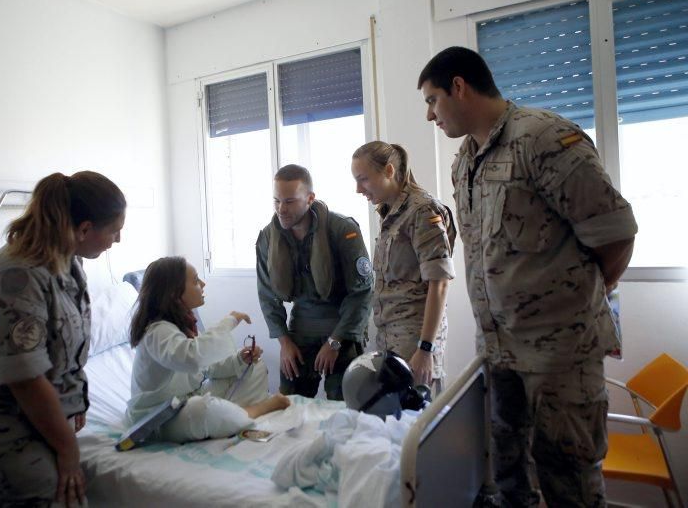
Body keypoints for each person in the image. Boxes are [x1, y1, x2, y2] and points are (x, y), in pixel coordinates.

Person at [418, 46, 637, 507]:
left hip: (560, 356)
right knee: (508, 477)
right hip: (499, 353)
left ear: (459, 87)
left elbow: (614, 235)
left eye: (432, 100)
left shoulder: (542, 138)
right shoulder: (466, 162)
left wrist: (582, 300)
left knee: (569, 482)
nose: (429, 115)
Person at [0, 171, 127, 507]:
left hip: (41, 425)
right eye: (114, 230)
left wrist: (73, 403)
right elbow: (26, 378)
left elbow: (62, 350)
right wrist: (68, 449)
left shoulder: (66, 263)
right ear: (85, 229)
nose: (117, 240)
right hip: (5, 436)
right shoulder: (18, 276)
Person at [126, 256, 290, 442]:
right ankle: (253, 411)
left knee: (255, 367)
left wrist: (240, 360)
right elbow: (192, 358)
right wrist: (228, 322)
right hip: (158, 417)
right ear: (173, 293)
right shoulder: (156, 331)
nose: (203, 284)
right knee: (201, 409)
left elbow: (206, 369)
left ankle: (227, 417)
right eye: (196, 281)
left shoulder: (184, 324)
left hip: (186, 400)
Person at [256, 164, 373, 400]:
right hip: (300, 329)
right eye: (276, 201)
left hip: (342, 328)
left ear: (310, 199)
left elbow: (362, 292)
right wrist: (284, 343)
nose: (281, 209)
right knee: (288, 402)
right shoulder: (268, 237)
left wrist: (335, 342)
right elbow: (267, 296)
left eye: (289, 201)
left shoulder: (343, 230)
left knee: (343, 403)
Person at [351, 141, 456, 396]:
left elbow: (439, 282)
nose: (358, 189)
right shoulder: (390, 213)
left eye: (363, 179)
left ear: (388, 171)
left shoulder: (422, 210)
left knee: (422, 424)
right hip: (392, 339)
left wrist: (426, 348)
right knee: (399, 424)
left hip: (416, 342)